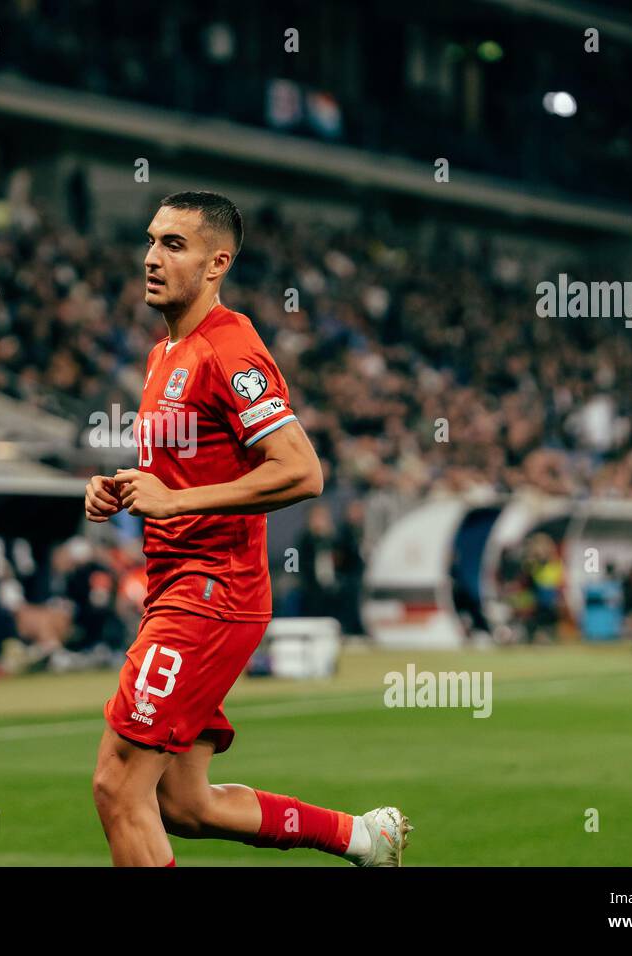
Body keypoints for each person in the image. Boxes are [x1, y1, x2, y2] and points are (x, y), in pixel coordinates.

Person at [85, 191, 410, 867]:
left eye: (174, 245)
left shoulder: (229, 351)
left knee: (118, 787)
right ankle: (361, 837)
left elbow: (302, 471)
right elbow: (185, 470)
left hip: (211, 592)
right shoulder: (162, 356)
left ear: (216, 263)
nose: (151, 257)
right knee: (183, 804)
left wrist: (176, 502)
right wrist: (123, 488)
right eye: (150, 240)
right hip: (177, 587)